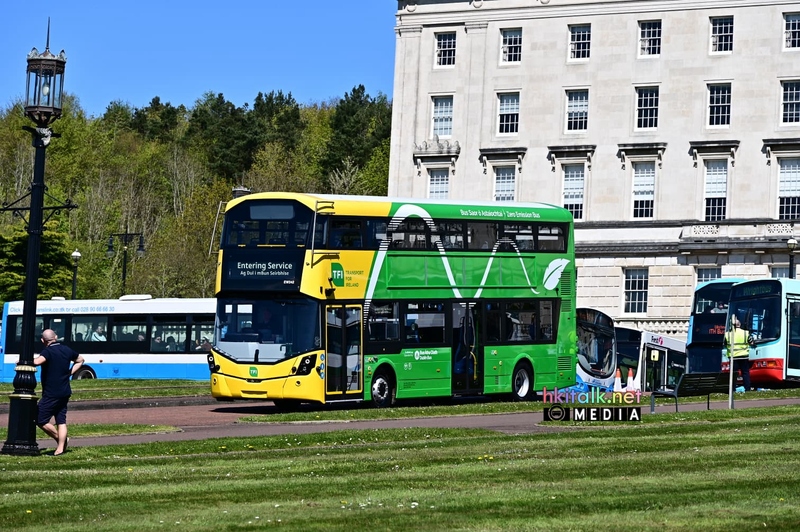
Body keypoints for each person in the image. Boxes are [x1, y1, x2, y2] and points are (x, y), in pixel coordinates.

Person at [33, 329, 84, 455]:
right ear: (55, 337)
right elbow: (80, 360)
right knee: (61, 420)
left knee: (40, 419)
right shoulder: (66, 349)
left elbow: (37, 362)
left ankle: (61, 439)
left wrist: (22, 361)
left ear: (43, 340)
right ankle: (61, 448)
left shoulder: (48, 351)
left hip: (51, 392)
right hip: (65, 390)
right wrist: (70, 373)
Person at [725, 315, 752, 391]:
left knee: (733, 374)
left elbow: (724, 343)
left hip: (733, 357)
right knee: (745, 373)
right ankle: (747, 388)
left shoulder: (728, 334)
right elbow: (751, 342)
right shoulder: (745, 333)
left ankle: (732, 389)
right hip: (744, 356)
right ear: (740, 325)